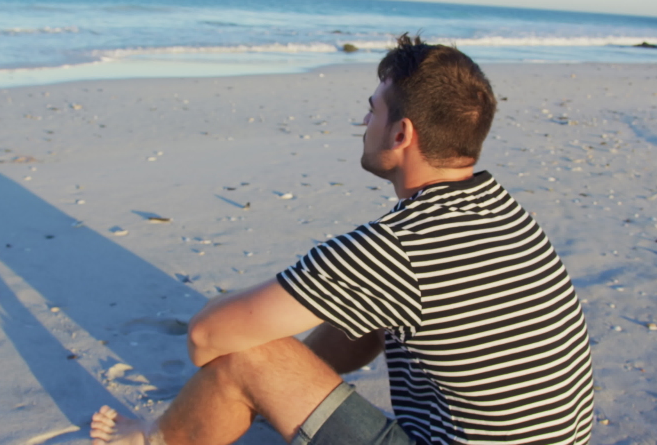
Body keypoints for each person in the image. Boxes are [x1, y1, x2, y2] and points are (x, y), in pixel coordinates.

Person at [90, 34, 594, 445]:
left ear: (401, 134)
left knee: (248, 353)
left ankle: (152, 440)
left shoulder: (399, 248)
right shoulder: (505, 213)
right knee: (364, 313)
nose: (363, 123)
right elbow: (377, 312)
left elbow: (205, 339)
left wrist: (257, 349)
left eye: (372, 111)